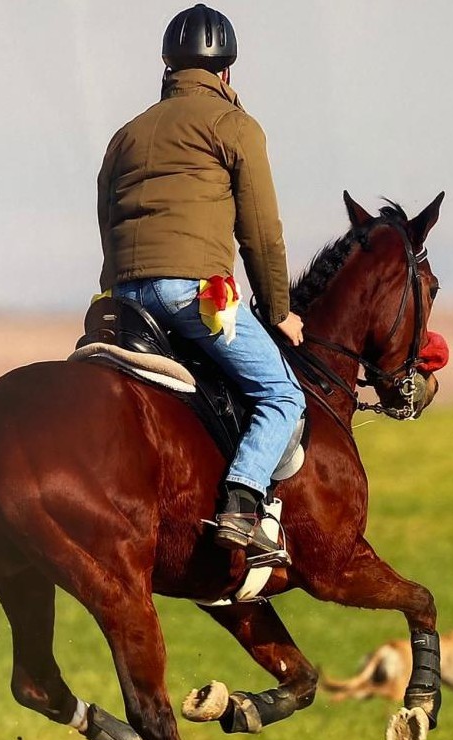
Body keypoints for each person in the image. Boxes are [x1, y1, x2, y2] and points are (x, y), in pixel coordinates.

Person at [96, 3, 305, 567]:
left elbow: (107, 221)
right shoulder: (234, 126)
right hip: (193, 296)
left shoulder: (126, 135)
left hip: (127, 299)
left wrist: (116, 286)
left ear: (167, 66)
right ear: (226, 71)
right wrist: (279, 310)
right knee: (282, 395)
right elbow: (261, 233)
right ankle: (242, 504)